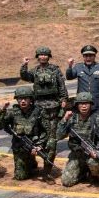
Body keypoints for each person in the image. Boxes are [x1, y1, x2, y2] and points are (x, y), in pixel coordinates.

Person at [20, 45, 68, 178]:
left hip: (53, 108)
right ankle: (31, 165)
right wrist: (24, 65)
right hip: (38, 108)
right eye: (40, 55)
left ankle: (47, 171)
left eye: (45, 54)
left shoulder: (55, 70)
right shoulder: (34, 71)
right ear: (37, 57)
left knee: (51, 140)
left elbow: (61, 85)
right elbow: (24, 76)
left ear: (49, 56)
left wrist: (64, 99)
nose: (43, 57)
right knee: (34, 137)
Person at [57, 92, 99, 187]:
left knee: (93, 162)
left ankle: (94, 175)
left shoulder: (97, 119)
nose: (84, 106)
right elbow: (58, 135)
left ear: (91, 105)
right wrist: (64, 119)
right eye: (81, 103)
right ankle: (82, 172)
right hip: (77, 156)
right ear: (77, 105)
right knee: (66, 181)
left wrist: (97, 151)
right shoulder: (72, 119)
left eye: (86, 103)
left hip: (92, 155)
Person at [0, 86, 49, 181]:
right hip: (20, 147)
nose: (23, 101)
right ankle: (31, 162)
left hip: (36, 143)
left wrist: (40, 144)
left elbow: (47, 130)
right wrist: (2, 110)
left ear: (31, 99)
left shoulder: (39, 111)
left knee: (51, 145)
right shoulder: (12, 112)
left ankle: (45, 170)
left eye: (26, 98)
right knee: (20, 177)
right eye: (20, 99)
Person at [66, 45, 99, 114]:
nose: (88, 58)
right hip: (82, 102)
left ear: (94, 56)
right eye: (86, 56)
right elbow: (69, 77)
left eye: (91, 56)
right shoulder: (78, 67)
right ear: (83, 56)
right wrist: (69, 67)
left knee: (97, 122)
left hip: (97, 101)